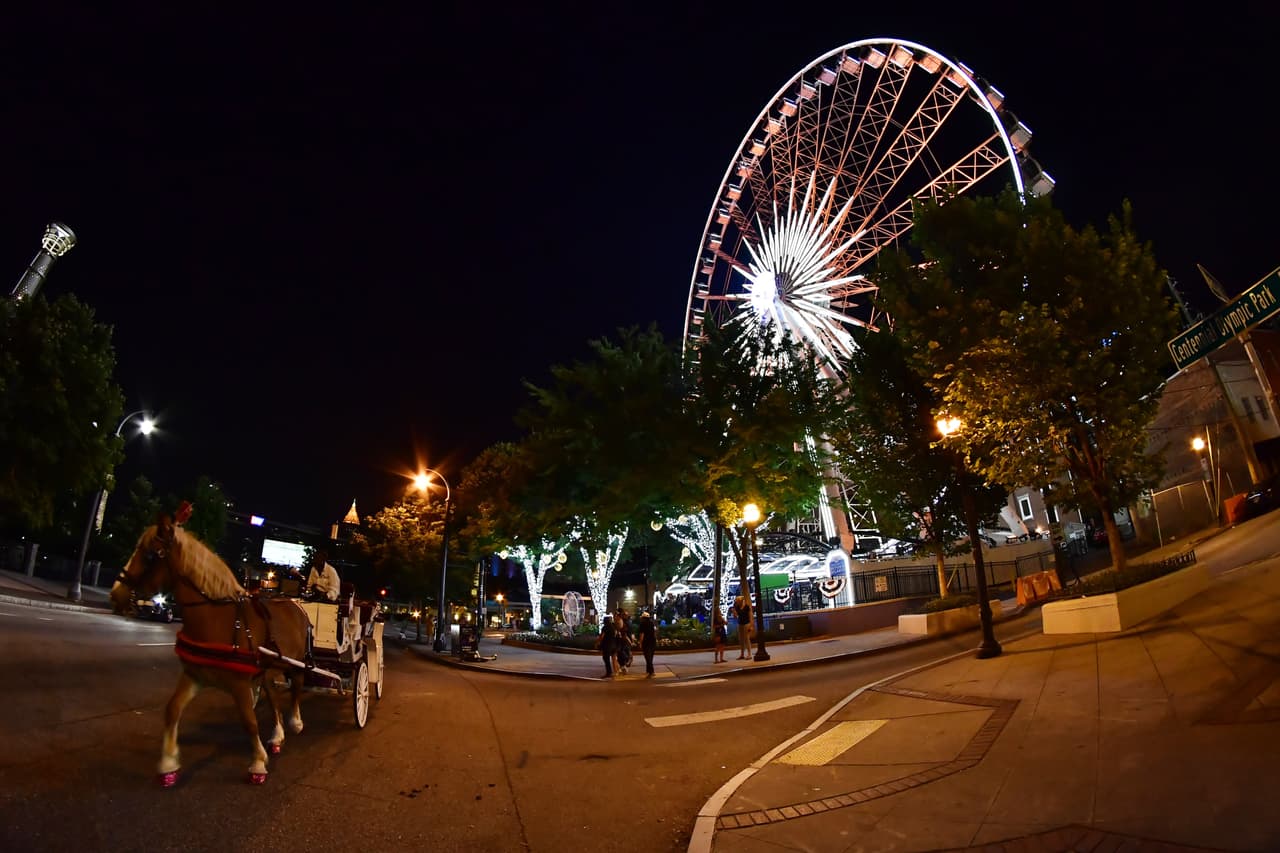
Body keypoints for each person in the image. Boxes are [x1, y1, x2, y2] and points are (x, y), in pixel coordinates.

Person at [595, 612, 617, 678]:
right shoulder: (613, 627)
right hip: (614, 645)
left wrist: (597, 643)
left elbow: (602, 636)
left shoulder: (605, 627)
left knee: (606, 659)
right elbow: (615, 634)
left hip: (607, 645)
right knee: (614, 659)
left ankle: (609, 673)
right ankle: (615, 671)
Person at [638, 609, 657, 677]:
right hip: (652, 641)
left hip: (646, 642)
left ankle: (651, 672)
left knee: (647, 657)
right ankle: (648, 670)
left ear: (643, 618)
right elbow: (655, 632)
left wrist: (640, 643)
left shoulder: (642, 624)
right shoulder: (652, 623)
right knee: (650, 657)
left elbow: (642, 634)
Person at [733, 594, 753, 660]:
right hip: (740, 623)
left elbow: (750, 616)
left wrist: (751, 625)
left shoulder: (747, 607)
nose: (737, 602)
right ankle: (742, 654)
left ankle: (749, 654)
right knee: (741, 640)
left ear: (741, 601)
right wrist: (734, 613)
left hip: (746, 624)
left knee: (746, 639)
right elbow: (736, 617)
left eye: (737, 601)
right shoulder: (737, 607)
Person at [614, 611, 633, 675]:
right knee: (620, 653)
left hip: (622, 641)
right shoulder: (621, 623)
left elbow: (626, 634)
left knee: (622, 653)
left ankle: (623, 665)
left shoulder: (625, 623)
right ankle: (622, 666)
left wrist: (630, 640)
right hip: (621, 641)